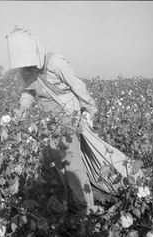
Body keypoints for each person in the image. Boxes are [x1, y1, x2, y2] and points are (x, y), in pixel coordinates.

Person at [7, 26, 99, 215]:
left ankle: (86, 210)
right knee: (59, 166)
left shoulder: (56, 63)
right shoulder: (28, 70)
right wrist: (23, 107)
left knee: (72, 165)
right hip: (48, 124)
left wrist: (90, 110)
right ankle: (72, 204)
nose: (27, 67)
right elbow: (29, 91)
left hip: (67, 119)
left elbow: (78, 86)